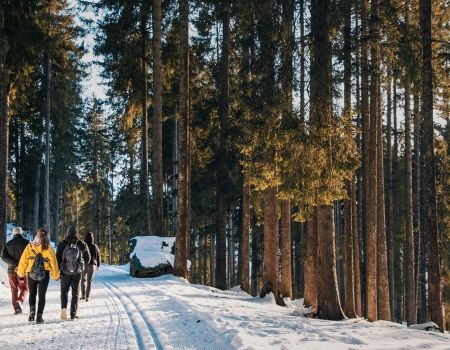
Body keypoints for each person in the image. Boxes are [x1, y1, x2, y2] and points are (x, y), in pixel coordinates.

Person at [17, 228, 59, 324]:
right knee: (42, 295)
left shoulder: (30, 246)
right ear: (46, 236)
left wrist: (21, 274)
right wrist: (56, 275)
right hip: (44, 274)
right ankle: (39, 317)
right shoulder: (48, 247)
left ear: (37, 235)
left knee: (32, 294)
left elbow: (23, 261)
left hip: (31, 273)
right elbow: (54, 263)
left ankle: (32, 313)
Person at [57, 226, 90, 320]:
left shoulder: (62, 244)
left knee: (64, 291)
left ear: (67, 233)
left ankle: (63, 309)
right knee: (75, 293)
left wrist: (61, 267)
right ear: (76, 233)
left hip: (65, 272)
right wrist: (81, 266)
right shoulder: (81, 243)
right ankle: (73, 314)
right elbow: (88, 258)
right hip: (77, 272)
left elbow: (57, 258)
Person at [1, 227, 29, 314]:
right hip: (22, 271)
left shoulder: (8, 244)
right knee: (24, 288)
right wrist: (20, 264)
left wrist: (14, 263)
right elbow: (31, 256)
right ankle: (19, 301)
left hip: (11, 271)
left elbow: (3, 256)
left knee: (14, 289)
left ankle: (16, 309)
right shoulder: (27, 243)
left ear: (13, 233)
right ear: (21, 233)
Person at [81, 231, 101, 302]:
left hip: (84, 264)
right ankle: (87, 297)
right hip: (92, 265)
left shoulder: (83, 245)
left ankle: (83, 295)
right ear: (92, 238)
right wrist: (98, 265)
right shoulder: (95, 246)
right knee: (89, 281)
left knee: (83, 280)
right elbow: (98, 256)